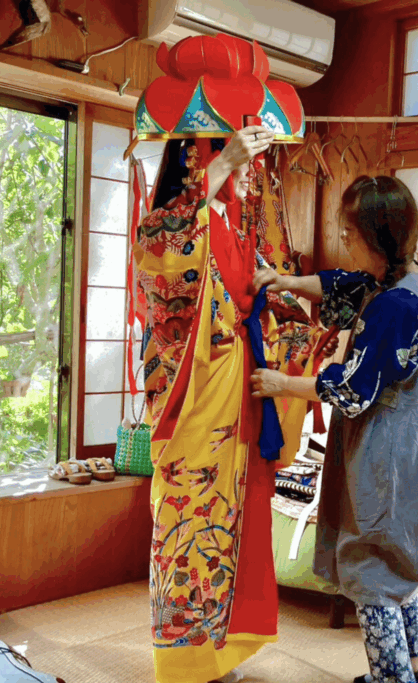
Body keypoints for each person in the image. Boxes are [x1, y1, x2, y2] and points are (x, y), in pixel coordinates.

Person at [250, 175, 418, 683]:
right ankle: (417, 669)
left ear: (377, 237)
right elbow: (343, 284)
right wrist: (286, 281)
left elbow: (349, 389)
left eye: (350, 231)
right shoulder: (408, 281)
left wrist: (280, 383)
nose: (343, 238)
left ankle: (390, 679)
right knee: (397, 563)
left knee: (373, 566)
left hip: (392, 447)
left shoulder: (394, 306)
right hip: (415, 437)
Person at [133, 125, 282, 683]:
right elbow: (160, 256)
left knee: (229, 520)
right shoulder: (172, 225)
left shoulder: (230, 227)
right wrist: (221, 166)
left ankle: (219, 651)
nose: (248, 175)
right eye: (237, 162)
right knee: (188, 518)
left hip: (236, 398)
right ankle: (184, 656)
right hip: (193, 402)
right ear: (201, 163)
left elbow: (257, 300)